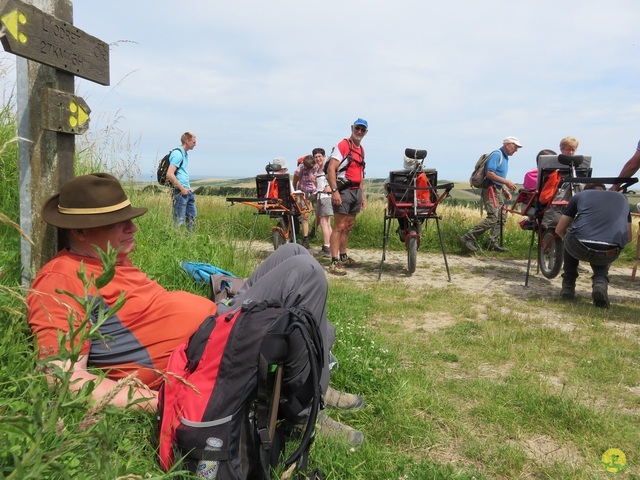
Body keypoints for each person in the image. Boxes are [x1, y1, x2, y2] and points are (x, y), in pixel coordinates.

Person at [26, 173, 365, 445]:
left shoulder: (110, 262)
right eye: (119, 222)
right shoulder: (61, 281)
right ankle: (302, 412)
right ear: (82, 230)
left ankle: (314, 385)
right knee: (306, 275)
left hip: (217, 323)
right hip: (202, 354)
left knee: (293, 252)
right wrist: (152, 401)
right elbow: (62, 376)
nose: (133, 228)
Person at [555, 183, 631, 308]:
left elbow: (559, 230)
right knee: (606, 244)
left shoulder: (579, 196)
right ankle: (600, 283)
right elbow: (628, 238)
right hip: (610, 251)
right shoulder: (623, 199)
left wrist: (566, 241)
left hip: (580, 247)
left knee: (569, 235)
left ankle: (568, 287)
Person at [460, 136, 522, 253]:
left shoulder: (504, 157)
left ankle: (491, 244)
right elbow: (490, 174)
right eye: (515, 147)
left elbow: (497, 176)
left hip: (496, 189)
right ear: (507, 145)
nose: (516, 150)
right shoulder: (497, 155)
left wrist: (504, 189)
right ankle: (468, 238)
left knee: (501, 217)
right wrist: (507, 182)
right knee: (493, 218)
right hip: (490, 190)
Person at [326, 118, 368, 276]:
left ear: (366, 132)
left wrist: (362, 195)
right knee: (339, 226)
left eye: (363, 130)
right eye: (358, 128)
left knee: (348, 226)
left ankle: (343, 256)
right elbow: (331, 169)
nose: (359, 132)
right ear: (352, 128)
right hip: (343, 190)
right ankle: (334, 261)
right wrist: (335, 191)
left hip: (356, 191)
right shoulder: (343, 145)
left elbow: (360, 175)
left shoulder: (361, 149)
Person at [166, 132, 197, 232]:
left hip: (186, 191)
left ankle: (190, 241)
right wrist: (182, 188)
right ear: (187, 141)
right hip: (180, 192)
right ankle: (174, 240)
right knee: (178, 220)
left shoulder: (184, 154)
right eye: (193, 142)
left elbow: (181, 173)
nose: (195, 144)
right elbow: (170, 174)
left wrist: (188, 188)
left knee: (192, 217)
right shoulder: (178, 154)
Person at [292, 154, 318, 249]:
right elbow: (294, 182)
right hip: (303, 193)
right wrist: (295, 194)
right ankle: (305, 239)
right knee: (305, 216)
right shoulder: (300, 169)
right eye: (308, 168)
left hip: (315, 192)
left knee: (319, 214)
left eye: (311, 168)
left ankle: (314, 231)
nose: (310, 170)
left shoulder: (317, 167)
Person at [312, 148, 333, 257]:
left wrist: (330, 188)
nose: (318, 159)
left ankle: (327, 247)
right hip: (321, 196)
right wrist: (314, 181)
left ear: (324, 156)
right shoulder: (318, 169)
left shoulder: (327, 168)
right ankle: (331, 246)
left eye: (320, 156)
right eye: (316, 157)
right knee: (327, 223)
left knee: (324, 223)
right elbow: (318, 185)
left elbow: (334, 179)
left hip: (326, 197)